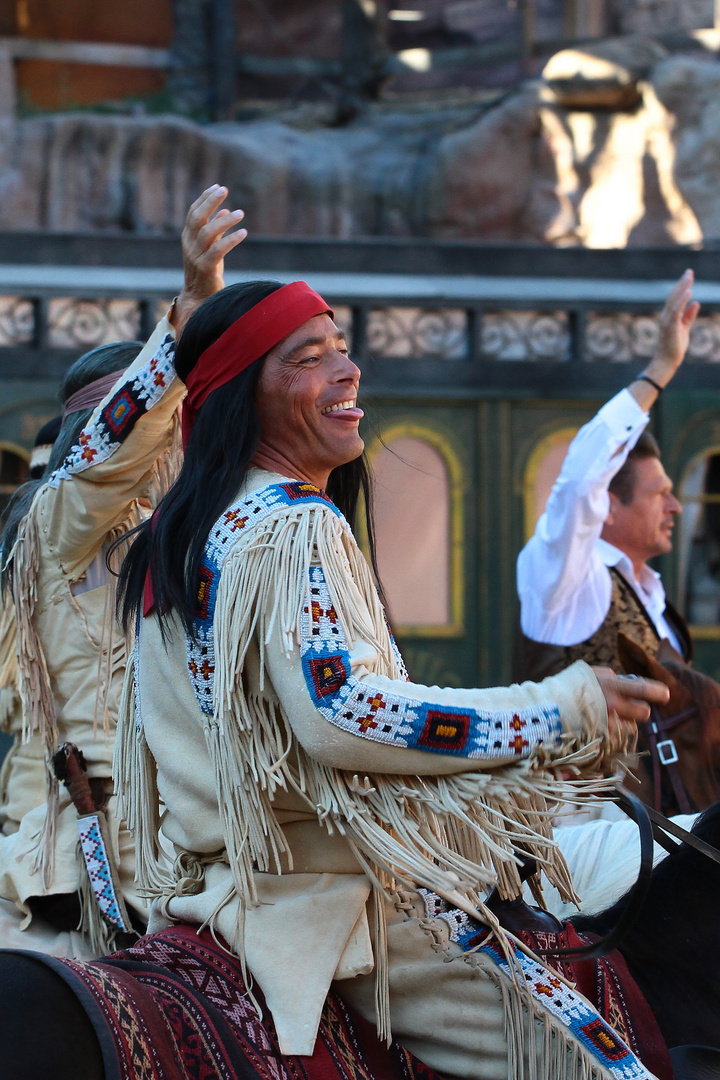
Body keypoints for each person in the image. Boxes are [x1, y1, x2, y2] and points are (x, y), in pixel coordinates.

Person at [0, 264, 673, 1080]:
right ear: (246, 394)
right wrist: (559, 710)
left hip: (210, 888)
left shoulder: (180, 542)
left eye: (342, 348)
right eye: (310, 356)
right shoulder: (283, 526)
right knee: (607, 1062)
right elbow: (340, 710)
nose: (348, 370)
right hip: (319, 903)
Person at [0, 185, 246, 958]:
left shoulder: (186, 535)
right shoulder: (55, 521)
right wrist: (189, 315)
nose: (174, 446)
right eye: (165, 430)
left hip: (182, 859)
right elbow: (113, 454)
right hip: (75, 875)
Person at [515, 270, 699, 683]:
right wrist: (661, 369)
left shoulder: (652, 592)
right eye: (660, 495)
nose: (676, 507)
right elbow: (582, 481)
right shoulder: (569, 576)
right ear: (609, 506)